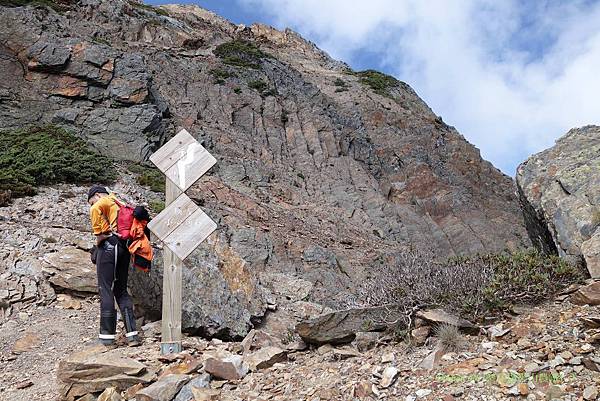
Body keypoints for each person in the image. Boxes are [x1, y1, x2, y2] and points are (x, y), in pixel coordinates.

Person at [87, 185, 140, 346]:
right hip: (124, 248)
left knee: (106, 288)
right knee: (121, 290)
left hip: (110, 247)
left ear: (96, 195)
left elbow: (101, 232)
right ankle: (132, 335)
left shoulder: (101, 203)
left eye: (90, 201)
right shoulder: (118, 201)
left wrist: (97, 243)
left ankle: (107, 337)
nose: (91, 205)